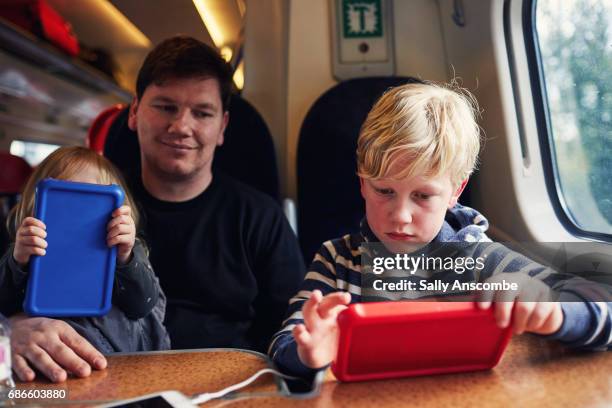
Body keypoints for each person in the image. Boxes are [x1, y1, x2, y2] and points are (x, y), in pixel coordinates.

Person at [8, 36, 305, 383]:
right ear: (134, 113)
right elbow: (12, 278)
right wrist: (10, 329)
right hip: (98, 383)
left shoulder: (259, 217)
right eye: (165, 107)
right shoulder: (85, 201)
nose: (181, 126)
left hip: (225, 388)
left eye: (202, 113)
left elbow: (291, 328)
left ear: (222, 127)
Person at [268, 81, 612, 379]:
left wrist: (554, 312)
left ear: (455, 192)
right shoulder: (335, 262)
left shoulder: (481, 260)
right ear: (362, 183)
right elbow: (282, 345)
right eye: (384, 191)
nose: (400, 216)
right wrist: (308, 353)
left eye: (423, 196)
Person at [0, 147, 170, 381]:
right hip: (57, 367)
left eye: (92, 206)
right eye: (64, 204)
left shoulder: (128, 251)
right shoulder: (26, 249)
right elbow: (4, 303)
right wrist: (19, 260)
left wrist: (126, 257)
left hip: (126, 364)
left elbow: (143, 305)